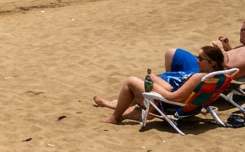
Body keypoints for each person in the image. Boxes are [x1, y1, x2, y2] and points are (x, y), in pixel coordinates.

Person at [93, 45, 228, 124]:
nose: (197, 61)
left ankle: (115, 118)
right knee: (146, 81)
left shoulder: (199, 77)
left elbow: (174, 97)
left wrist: (154, 87)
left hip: (167, 104)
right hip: (186, 103)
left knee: (131, 81)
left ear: (212, 63)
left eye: (200, 58)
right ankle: (115, 105)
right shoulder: (219, 76)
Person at [163, 21, 245, 82]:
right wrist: (228, 48)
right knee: (171, 54)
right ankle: (175, 84)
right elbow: (237, 62)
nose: (242, 33)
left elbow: (231, 70)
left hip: (210, 73)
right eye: (241, 30)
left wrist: (218, 53)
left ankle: (175, 86)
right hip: (209, 66)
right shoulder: (244, 47)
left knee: (172, 54)